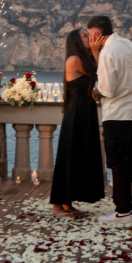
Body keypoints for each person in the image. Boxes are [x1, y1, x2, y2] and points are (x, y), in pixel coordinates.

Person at [87, 15, 132, 224]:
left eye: (90, 36)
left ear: (97, 35)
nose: (89, 40)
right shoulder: (127, 44)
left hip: (117, 115)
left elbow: (107, 88)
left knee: (118, 163)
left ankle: (123, 211)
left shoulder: (108, 52)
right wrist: (98, 53)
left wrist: (94, 94)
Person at [50, 28, 105, 218]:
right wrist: (96, 51)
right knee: (69, 155)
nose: (89, 37)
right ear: (75, 41)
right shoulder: (74, 60)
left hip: (86, 111)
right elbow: (99, 73)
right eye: (84, 35)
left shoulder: (84, 59)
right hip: (77, 113)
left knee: (80, 156)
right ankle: (57, 205)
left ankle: (67, 203)